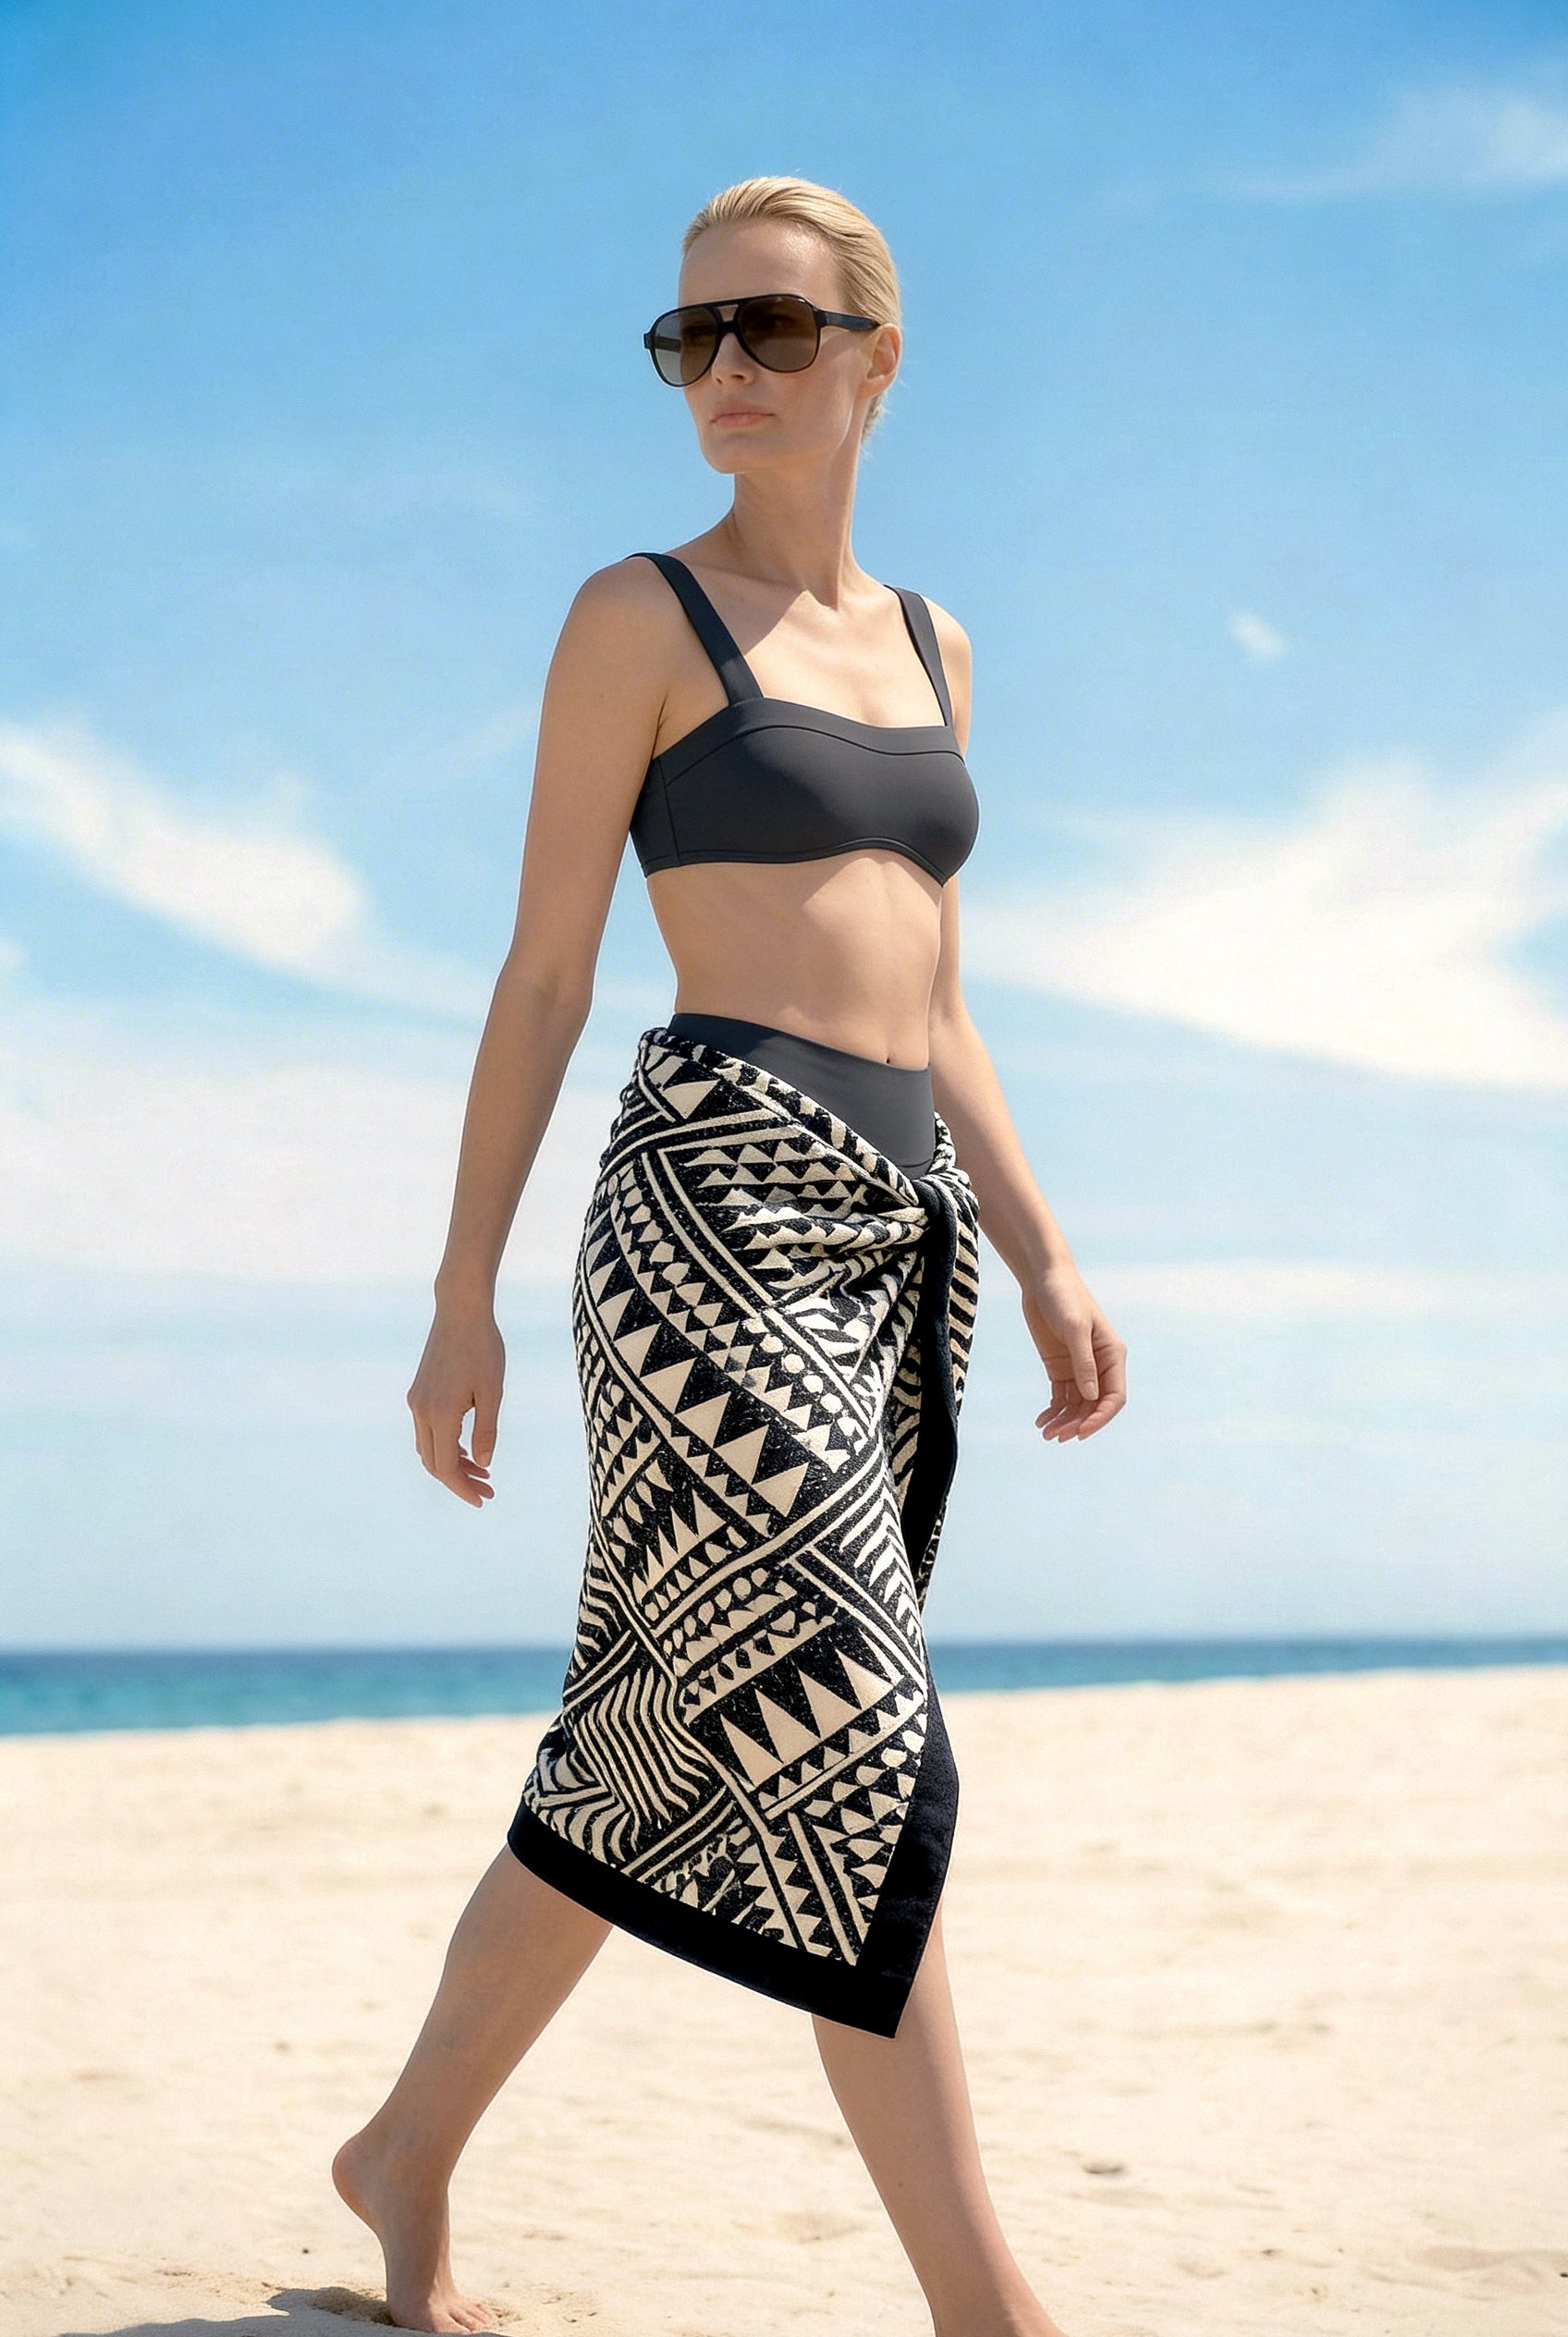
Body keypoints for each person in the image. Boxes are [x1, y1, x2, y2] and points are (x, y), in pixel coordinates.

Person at [334, 175, 1126, 2337]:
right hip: (705, 1208)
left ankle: (399, 2151)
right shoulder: (633, 620)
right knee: (849, 1722)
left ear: (875, 357)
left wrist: (1043, 1245)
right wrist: (455, 1291)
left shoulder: (941, 647)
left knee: (660, 1739)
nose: (725, 375)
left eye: (770, 332)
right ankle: (989, 2308)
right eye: (688, 339)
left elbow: (940, 985)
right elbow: (537, 979)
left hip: (895, 1229)